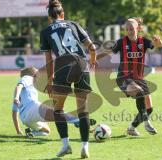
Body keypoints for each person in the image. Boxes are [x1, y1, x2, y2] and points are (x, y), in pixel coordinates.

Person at [40, 0, 97, 158]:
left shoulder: (45, 31)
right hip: (81, 64)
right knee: (83, 110)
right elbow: (92, 47)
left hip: (63, 65)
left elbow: (48, 59)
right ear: (62, 14)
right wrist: (92, 59)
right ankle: (85, 147)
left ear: (49, 17)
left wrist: (50, 80)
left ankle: (65, 145)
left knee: (58, 110)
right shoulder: (73, 24)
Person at [112, 18, 162, 136]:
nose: (129, 31)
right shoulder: (121, 42)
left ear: (138, 29)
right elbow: (110, 51)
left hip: (139, 78)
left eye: (132, 29)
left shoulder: (143, 42)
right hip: (123, 78)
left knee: (149, 108)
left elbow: (157, 45)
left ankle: (131, 128)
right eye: (127, 29)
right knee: (139, 93)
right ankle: (146, 122)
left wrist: (158, 42)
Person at [12, 67, 96, 138]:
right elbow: (19, 86)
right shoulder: (27, 77)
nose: (37, 78)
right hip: (32, 108)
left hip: (26, 120)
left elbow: (14, 112)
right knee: (57, 113)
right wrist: (16, 97)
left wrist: (18, 130)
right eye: (37, 75)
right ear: (33, 75)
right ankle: (79, 121)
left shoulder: (22, 93)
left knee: (46, 131)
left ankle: (31, 134)